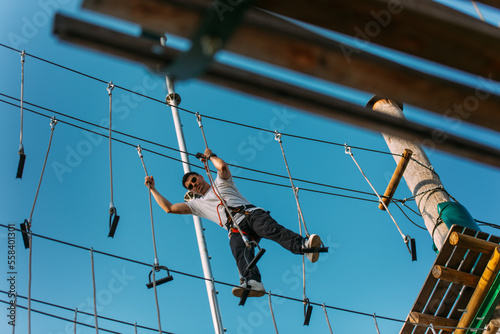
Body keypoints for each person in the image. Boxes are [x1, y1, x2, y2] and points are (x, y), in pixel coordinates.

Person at [145, 148, 323, 298]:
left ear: (200, 176)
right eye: (190, 187)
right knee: (239, 250)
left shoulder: (221, 182)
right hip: (235, 229)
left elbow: (222, 167)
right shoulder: (197, 205)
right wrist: (152, 189)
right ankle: (252, 281)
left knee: (271, 230)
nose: (194, 185)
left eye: (194, 180)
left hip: (250, 215)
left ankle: (304, 246)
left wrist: (210, 156)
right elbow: (169, 208)